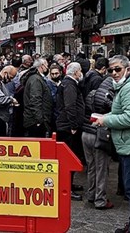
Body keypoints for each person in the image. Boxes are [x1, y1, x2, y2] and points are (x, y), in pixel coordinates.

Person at [92, 55, 130, 233]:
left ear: (127, 69)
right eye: (111, 70)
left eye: (118, 69)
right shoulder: (129, 86)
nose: (114, 73)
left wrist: (106, 120)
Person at [55, 62, 86, 201]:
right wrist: (73, 125)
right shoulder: (69, 85)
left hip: (67, 124)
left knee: (71, 156)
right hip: (67, 126)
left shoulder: (69, 83)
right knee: (69, 156)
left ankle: (70, 184)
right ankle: (66, 186)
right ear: (76, 72)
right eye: (80, 71)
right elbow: (70, 106)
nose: (81, 74)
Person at [22, 58, 53, 137]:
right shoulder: (36, 79)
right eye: (46, 65)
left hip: (36, 119)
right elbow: (35, 100)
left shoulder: (36, 78)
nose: (47, 67)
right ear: (42, 66)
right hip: (35, 121)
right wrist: (39, 120)